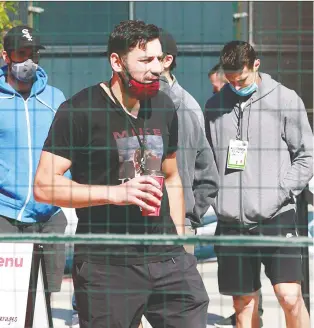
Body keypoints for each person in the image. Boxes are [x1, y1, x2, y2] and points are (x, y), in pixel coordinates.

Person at [34, 20, 209, 328]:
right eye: (145, 60)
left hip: (167, 258)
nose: (155, 68)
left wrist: (182, 245)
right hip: (106, 263)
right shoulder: (79, 110)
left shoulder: (165, 106)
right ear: (116, 61)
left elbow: (171, 177)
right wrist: (115, 194)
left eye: (159, 58)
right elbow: (44, 186)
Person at [205, 40, 313, 328]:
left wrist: (280, 193)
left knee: (289, 296)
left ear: (256, 64)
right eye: (229, 81)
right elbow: (206, 160)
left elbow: (306, 155)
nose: (235, 86)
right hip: (231, 222)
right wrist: (218, 199)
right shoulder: (214, 106)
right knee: (243, 303)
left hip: (276, 216)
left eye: (241, 79)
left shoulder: (285, 100)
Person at [0, 25, 67, 306]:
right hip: (6, 215)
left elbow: (71, 150)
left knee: (46, 300)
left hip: (50, 214)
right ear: (6, 56)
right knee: (9, 300)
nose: (29, 60)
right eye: (21, 53)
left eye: (34, 54)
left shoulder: (56, 99)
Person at [208, 63, 265, 328]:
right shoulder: (214, 109)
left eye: (219, 85)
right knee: (240, 279)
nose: (217, 91)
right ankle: (249, 310)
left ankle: (255, 309)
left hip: (258, 203)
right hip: (230, 205)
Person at [159, 29, 219, 253]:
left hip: (177, 226)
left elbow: (206, 173)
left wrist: (190, 216)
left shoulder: (185, 106)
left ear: (166, 60)